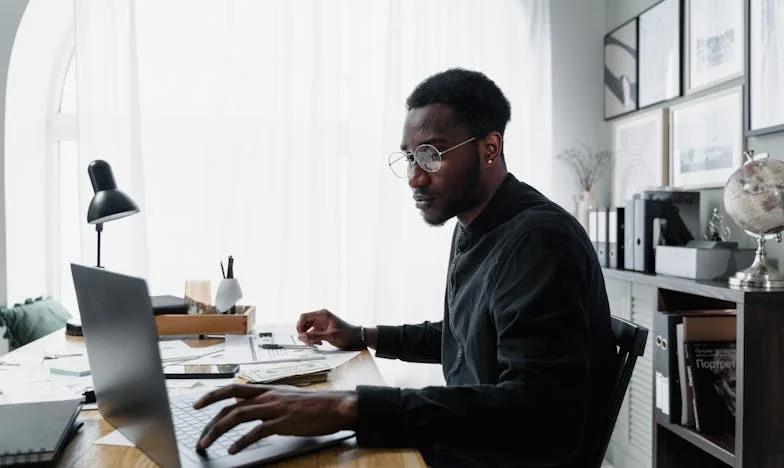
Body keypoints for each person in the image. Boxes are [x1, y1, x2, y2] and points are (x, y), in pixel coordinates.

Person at [193, 68, 618, 467]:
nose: (415, 178)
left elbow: (540, 414)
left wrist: (349, 406)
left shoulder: (539, 242)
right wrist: (361, 335)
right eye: (410, 158)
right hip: (474, 439)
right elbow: (462, 334)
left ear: (489, 149)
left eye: (432, 155)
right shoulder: (476, 221)